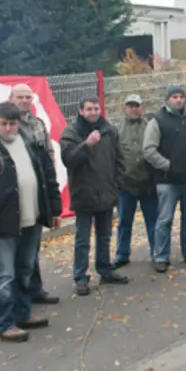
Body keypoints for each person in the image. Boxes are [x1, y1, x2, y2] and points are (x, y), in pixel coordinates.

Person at [0, 102, 62, 342]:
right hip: (3, 222)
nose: (9, 128)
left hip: (31, 216)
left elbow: (47, 175)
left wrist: (53, 208)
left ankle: (23, 314)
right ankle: (3, 323)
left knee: (25, 269)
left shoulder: (31, 142)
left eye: (13, 123)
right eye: (4, 124)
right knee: (5, 274)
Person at [0, 83, 59, 304]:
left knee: (29, 257)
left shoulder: (36, 125)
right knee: (7, 268)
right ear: (11, 98)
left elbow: (47, 155)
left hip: (33, 206)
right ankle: (8, 316)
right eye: (21, 97)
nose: (25, 101)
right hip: (7, 210)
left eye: (29, 97)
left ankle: (30, 297)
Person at [60, 96, 129, 296]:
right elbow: (68, 160)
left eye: (96, 108)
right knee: (83, 239)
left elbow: (119, 159)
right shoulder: (71, 132)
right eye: (89, 109)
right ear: (81, 111)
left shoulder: (109, 130)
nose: (93, 112)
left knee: (105, 236)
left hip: (106, 192)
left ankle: (105, 269)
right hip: (84, 194)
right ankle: (80, 276)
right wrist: (86, 145)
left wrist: (117, 185)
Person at [143, 85, 186, 273]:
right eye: (174, 96)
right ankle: (160, 256)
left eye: (181, 96)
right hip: (168, 182)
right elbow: (149, 150)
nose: (179, 100)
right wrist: (168, 166)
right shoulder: (158, 121)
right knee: (165, 219)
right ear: (168, 100)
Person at [115, 94, 158, 267]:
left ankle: (157, 253)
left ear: (142, 107)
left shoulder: (151, 127)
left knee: (153, 221)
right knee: (124, 222)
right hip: (126, 185)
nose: (134, 109)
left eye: (137, 105)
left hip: (148, 184)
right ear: (125, 108)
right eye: (130, 106)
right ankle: (121, 254)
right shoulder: (117, 130)